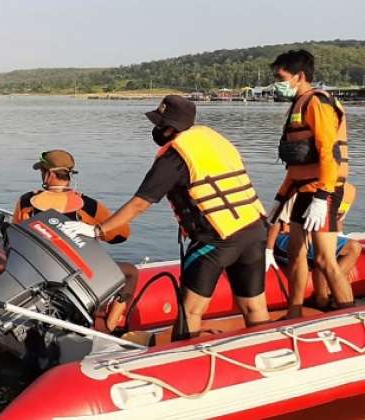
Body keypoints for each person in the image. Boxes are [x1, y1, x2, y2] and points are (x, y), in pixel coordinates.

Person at [65, 95, 270, 339]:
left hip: (216, 240)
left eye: (159, 124)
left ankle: (185, 361)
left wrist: (97, 230)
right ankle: (265, 349)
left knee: (191, 311)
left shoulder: (175, 156)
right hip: (254, 229)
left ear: (171, 127)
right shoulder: (211, 139)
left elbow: (140, 203)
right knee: (254, 305)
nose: (156, 129)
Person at [267, 50, 352, 318]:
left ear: (299, 76)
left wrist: (322, 195)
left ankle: (349, 315)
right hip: (302, 190)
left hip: (322, 191)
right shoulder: (298, 104)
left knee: (326, 259)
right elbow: (297, 162)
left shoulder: (317, 103)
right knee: (295, 252)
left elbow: (329, 152)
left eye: (281, 77)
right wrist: (280, 199)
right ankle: (294, 312)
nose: (276, 83)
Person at [13, 149, 135, 332]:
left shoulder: (26, 202)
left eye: (42, 171)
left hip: (40, 274)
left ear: (50, 174)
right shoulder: (89, 206)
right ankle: (111, 324)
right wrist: (96, 232)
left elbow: (16, 236)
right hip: (79, 276)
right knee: (131, 272)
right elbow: (121, 235)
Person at [266, 184, 360, 309]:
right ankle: (324, 296)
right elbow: (278, 220)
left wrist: (339, 239)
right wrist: (268, 250)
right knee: (342, 248)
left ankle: (326, 292)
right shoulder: (305, 187)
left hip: (318, 235)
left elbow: (337, 219)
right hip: (288, 235)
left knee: (349, 247)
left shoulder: (349, 191)